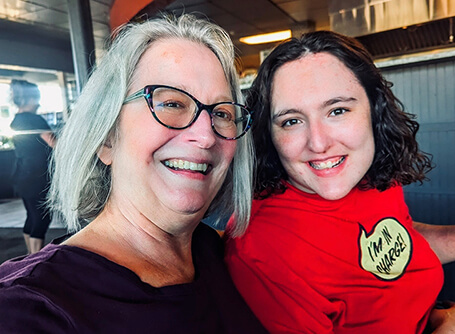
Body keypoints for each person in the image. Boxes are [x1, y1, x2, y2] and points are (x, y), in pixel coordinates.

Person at [0, 14, 266, 333]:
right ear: (107, 137)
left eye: (222, 113)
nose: (206, 135)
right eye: (171, 103)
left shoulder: (210, 250)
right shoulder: (28, 309)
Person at [224, 30, 455, 333]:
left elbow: (397, 242)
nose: (319, 144)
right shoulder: (259, 252)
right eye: (291, 121)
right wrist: (454, 327)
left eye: (337, 111)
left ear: (374, 111)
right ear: (269, 134)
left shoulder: (366, 175)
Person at [9, 79, 55, 254]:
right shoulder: (34, 119)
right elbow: (53, 142)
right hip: (36, 176)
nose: (39, 100)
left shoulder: (17, 118)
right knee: (42, 218)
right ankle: (35, 260)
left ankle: (30, 256)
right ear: (31, 98)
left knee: (32, 216)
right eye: (37, 96)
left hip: (22, 174)